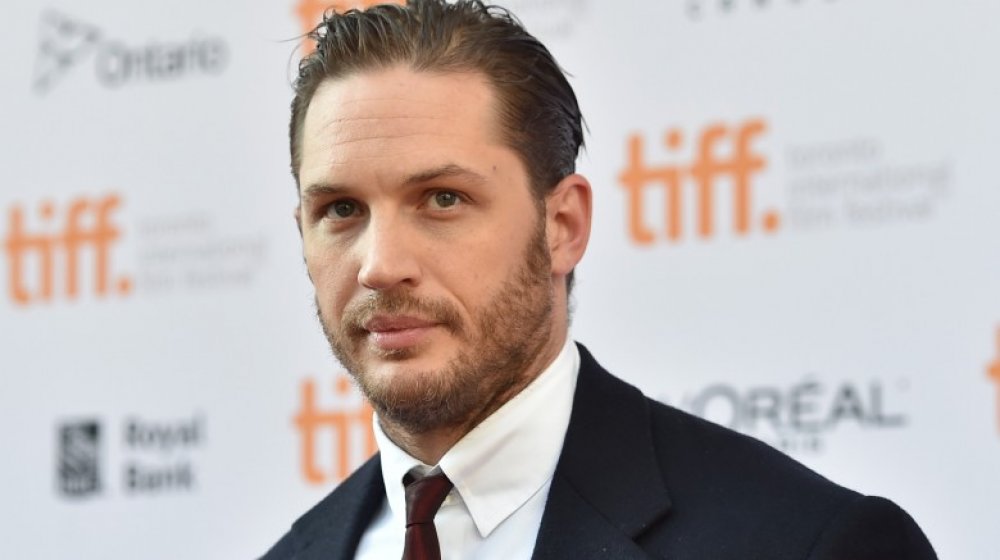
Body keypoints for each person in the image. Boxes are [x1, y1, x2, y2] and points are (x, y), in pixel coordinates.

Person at [263, 1, 938, 558]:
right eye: (341, 210)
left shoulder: (808, 544)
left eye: (443, 199)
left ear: (562, 225)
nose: (380, 265)